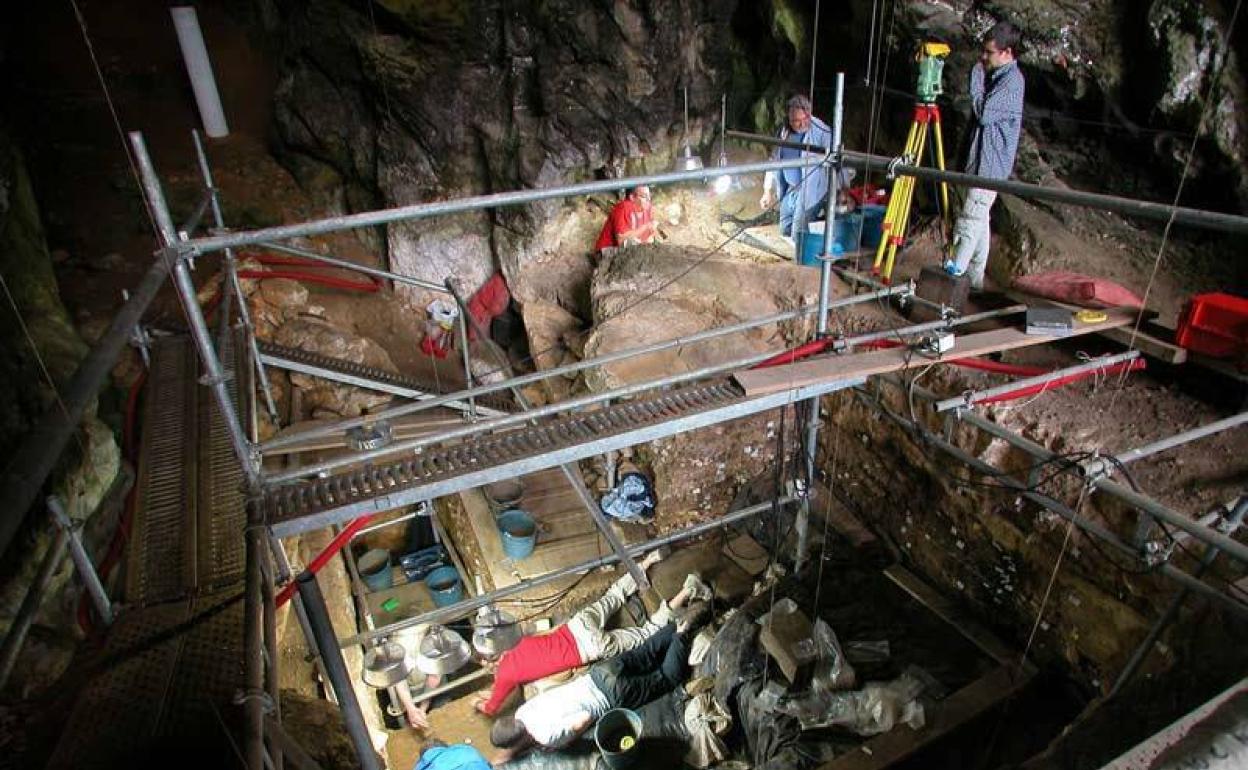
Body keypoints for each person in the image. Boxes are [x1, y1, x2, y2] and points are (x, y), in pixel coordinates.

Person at [473, 550, 712, 716]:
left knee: (644, 634)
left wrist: (479, 702)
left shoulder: (506, 675)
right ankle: (648, 561)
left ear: (488, 659)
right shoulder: (514, 636)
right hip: (577, 625)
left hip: (590, 649)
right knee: (613, 595)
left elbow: (492, 708)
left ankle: (687, 591)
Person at [488, 614, 709, 764]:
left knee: (666, 678)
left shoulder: (547, 737)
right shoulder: (522, 712)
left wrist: (569, 738)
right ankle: (675, 624)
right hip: (599, 673)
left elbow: (583, 718)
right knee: (645, 652)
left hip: (613, 695)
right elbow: (522, 732)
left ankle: (682, 634)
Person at [945, 20, 1026, 290]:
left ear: (1007, 53)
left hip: (989, 169)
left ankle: (953, 280)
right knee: (979, 223)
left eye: (989, 52)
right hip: (979, 164)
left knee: (969, 222)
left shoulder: (1012, 81)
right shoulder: (998, 76)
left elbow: (985, 114)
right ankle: (976, 284)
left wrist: (976, 80)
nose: (983, 57)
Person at [759, 95, 852, 238]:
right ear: (789, 118)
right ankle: (812, 224)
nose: (802, 124)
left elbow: (839, 162)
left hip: (810, 191)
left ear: (809, 114)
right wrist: (767, 191)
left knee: (798, 236)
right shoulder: (783, 131)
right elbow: (773, 161)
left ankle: (814, 225)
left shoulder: (823, 132)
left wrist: (844, 189)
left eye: (805, 119)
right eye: (796, 121)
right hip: (790, 190)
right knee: (785, 230)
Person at [594, 186, 657, 252]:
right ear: (632, 197)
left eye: (649, 195)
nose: (649, 199)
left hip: (630, 252)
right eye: (644, 196)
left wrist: (651, 234)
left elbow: (648, 238)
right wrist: (645, 227)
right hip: (606, 252)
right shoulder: (623, 208)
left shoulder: (648, 208)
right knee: (632, 244)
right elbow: (622, 241)